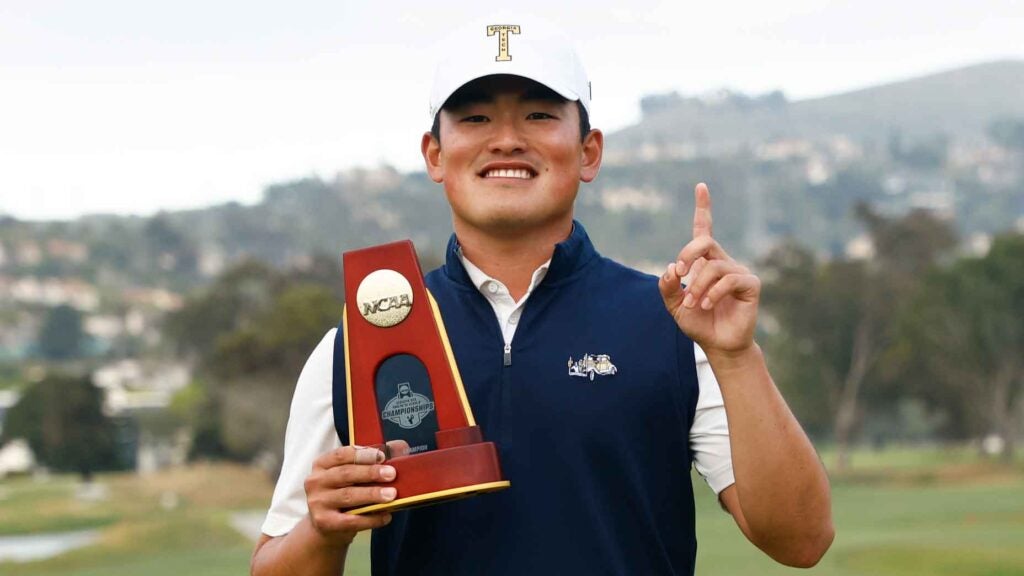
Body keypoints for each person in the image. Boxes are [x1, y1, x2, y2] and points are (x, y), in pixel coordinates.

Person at [251, 16, 833, 576]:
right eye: (475, 118)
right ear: (434, 154)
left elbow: (801, 540)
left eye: (538, 114)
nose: (507, 140)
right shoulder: (357, 344)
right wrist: (324, 530)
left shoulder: (675, 325)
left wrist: (736, 357)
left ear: (588, 152)